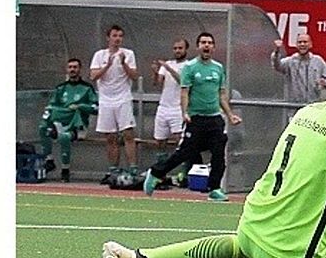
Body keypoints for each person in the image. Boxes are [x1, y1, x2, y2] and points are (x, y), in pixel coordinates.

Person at [101, 54, 326, 258]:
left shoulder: (314, 110)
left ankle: (141, 256)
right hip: (290, 253)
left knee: (234, 246)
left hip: (254, 230)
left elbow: (307, 168)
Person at [143, 32, 241, 202]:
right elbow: (184, 92)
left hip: (214, 119)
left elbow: (222, 95)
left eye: (210, 43)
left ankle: (215, 188)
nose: (207, 45)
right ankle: (156, 173)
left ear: (214, 47)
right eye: (203, 42)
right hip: (196, 119)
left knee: (219, 154)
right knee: (184, 153)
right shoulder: (190, 67)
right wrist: (184, 112)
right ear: (198, 46)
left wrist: (230, 115)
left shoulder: (218, 68)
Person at [89, 24, 140, 181]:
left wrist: (123, 63)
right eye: (114, 36)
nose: (117, 39)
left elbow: (134, 76)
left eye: (120, 36)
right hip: (106, 100)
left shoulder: (128, 54)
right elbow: (93, 76)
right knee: (110, 136)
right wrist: (108, 65)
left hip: (123, 98)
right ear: (108, 38)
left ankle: (133, 169)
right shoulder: (99, 55)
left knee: (128, 134)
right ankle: (113, 170)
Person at [39, 58, 98, 182]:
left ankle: (65, 170)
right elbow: (51, 106)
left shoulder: (87, 88)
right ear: (66, 69)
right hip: (60, 123)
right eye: (70, 67)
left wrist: (80, 106)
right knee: (42, 128)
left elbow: (96, 108)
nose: (72, 70)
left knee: (64, 137)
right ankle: (49, 160)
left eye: (75, 67)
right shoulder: (61, 88)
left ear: (80, 70)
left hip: (78, 126)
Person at [150, 38, 197, 185]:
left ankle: (183, 173)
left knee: (180, 141)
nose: (177, 51)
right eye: (175, 48)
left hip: (178, 107)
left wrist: (168, 69)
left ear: (185, 49)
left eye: (180, 48)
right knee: (159, 140)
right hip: (164, 106)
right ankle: (161, 172)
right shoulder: (167, 64)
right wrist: (155, 72)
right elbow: (158, 83)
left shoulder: (188, 65)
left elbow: (182, 81)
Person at [271, 34, 326, 119]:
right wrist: (277, 51)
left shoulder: (318, 61)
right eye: (299, 42)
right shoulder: (290, 61)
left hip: (313, 108)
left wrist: (325, 83)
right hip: (294, 110)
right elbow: (277, 65)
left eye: (305, 42)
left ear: (310, 44)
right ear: (296, 45)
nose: (302, 44)